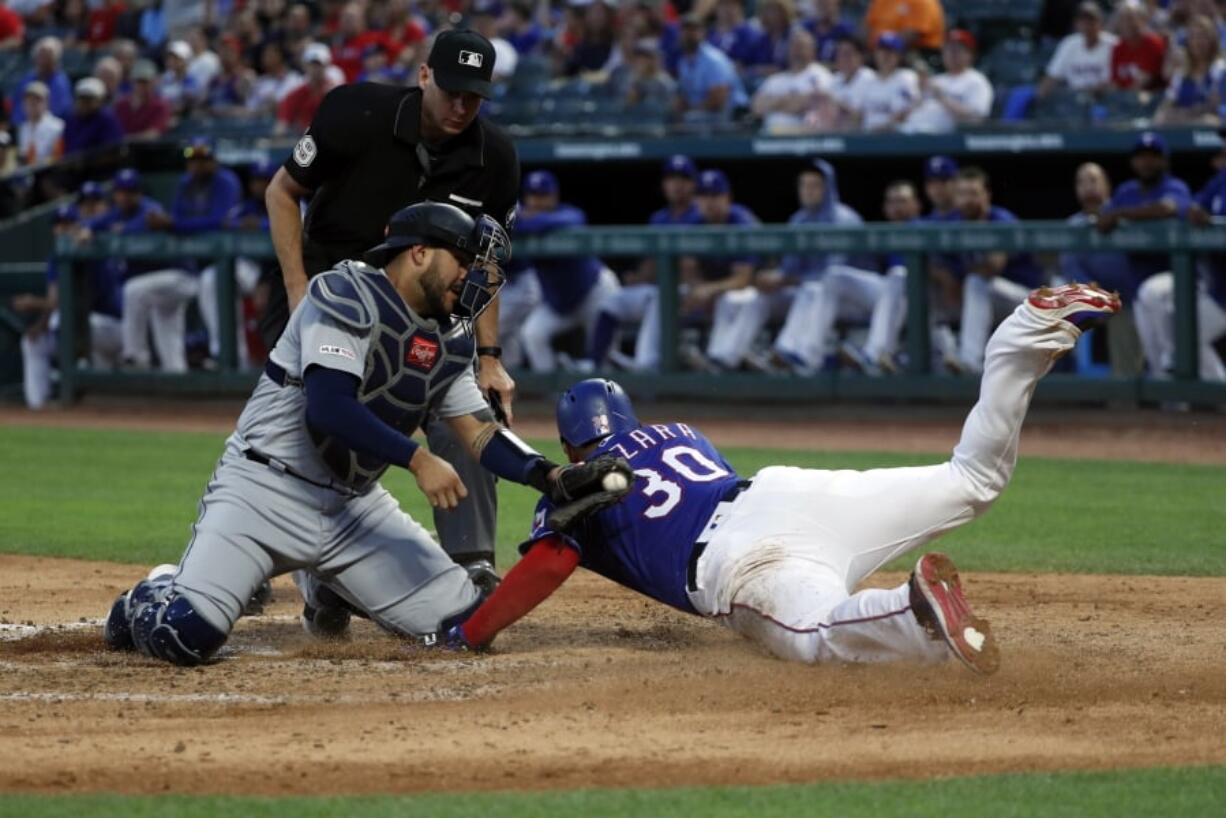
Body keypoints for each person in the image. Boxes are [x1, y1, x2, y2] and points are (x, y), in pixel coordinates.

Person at [445, 283, 1123, 668]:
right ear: (626, 414)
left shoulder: (575, 479)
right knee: (972, 479)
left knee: (816, 638)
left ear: (569, 446)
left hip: (742, 560)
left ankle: (909, 607)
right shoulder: (680, 431)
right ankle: (1025, 336)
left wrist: (471, 633)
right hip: (791, 494)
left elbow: (547, 566)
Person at [100, 201, 630, 665]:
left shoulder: (451, 337)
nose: (471, 276)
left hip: (353, 508)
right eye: (462, 260)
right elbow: (329, 408)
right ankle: (157, 590)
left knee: (467, 623)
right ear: (419, 253)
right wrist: (418, 460)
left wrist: (551, 476)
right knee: (184, 634)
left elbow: (481, 433)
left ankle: (329, 585)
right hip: (263, 490)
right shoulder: (345, 290)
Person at [261, 28, 520, 578]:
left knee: (464, 416)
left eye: (473, 95)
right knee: (300, 424)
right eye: (450, 89)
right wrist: (296, 289)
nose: (460, 105)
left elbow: (486, 262)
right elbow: (282, 192)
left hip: (421, 311)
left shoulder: (493, 156)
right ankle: (259, 551)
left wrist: (489, 356)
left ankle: (470, 561)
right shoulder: (354, 112)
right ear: (423, 75)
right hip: (328, 292)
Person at [737, 159, 879, 375]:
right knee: (758, 297)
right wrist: (773, 279)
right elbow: (790, 270)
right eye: (804, 185)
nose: (808, 191)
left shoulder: (844, 219)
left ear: (828, 188)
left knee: (813, 289)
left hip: (853, 300)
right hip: (814, 298)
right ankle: (730, 356)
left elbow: (832, 275)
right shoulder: (798, 220)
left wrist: (785, 279)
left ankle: (793, 351)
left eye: (814, 185)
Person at [590, 155, 702, 372]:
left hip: (690, 291)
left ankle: (646, 367)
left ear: (693, 184)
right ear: (664, 185)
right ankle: (597, 367)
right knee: (610, 303)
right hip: (659, 289)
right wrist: (639, 277)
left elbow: (693, 266)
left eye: (684, 179)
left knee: (660, 298)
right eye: (671, 179)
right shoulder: (659, 218)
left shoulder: (700, 215)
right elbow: (651, 263)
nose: (677, 185)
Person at [1096, 132, 1193, 378]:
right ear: (1133, 162)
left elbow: (1167, 208)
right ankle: (1171, 408)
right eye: (1142, 157)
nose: (1147, 162)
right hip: (1136, 286)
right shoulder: (1126, 191)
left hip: (1175, 282)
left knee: (1171, 351)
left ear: (1165, 161)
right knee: (1155, 357)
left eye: (1153, 157)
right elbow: (1102, 218)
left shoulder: (1175, 186)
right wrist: (1110, 215)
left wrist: (1119, 215)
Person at [14, 192, 122, 409]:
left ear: (79, 225)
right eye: (59, 224)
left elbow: (63, 303)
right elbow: (57, 300)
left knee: (62, 320)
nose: (63, 229)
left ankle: (75, 382)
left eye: (68, 223)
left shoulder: (92, 249)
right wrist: (40, 324)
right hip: (82, 328)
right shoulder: (56, 257)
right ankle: (38, 406)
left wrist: (33, 302)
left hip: (112, 327)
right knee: (34, 343)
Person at [78, 169, 190, 372]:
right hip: (156, 285)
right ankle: (178, 377)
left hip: (178, 276)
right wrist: (88, 229)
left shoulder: (150, 210)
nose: (125, 196)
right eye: (121, 191)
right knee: (168, 336)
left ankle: (135, 356)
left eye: (130, 191)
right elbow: (96, 223)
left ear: (139, 193)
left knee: (133, 290)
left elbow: (132, 230)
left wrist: (113, 230)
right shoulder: (117, 213)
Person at [516, 170, 621, 372]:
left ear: (554, 196)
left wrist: (527, 223)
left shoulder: (568, 215)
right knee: (532, 333)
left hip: (595, 292)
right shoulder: (523, 220)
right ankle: (553, 391)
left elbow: (576, 219)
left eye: (543, 196)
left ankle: (610, 397)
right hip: (559, 304)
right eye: (532, 196)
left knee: (605, 359)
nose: (537, 202)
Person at [943, 167, 1045, 374]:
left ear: (987, 195)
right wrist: (946, 278)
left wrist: (959, 279)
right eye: (962, 194)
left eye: (973, 193)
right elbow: (932, 260)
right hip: (988, 300)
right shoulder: (953, 222)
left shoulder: (1002, 219)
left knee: (975, 282)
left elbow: (993, 266)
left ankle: (970, 360)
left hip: (1027, 302)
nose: (967, 200)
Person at [1059, 162, 1143, 377]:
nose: (1088, 186)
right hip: (1091, 297)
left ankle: (1124, 398)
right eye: (1081, 182)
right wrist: (1094, 295)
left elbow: (1133, 266)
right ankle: (1069, 387)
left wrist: (1110, 299)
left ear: (1107, 186)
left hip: (1125, 299)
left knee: (1124, 320)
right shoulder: (1073, 225)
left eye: (1094, 180)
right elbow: (1070, 267)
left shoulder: (1122, 217)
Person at [677, 169, 762, 372]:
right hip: (713, 289)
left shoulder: (742, 222)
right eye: (703, 196)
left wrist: (709, 290)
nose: (709, 202)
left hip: (752, 291)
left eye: (715, 195)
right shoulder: (693, 223)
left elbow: (743, 279)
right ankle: (667, 358)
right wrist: (698, 289)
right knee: (672, 296)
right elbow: (688, 270)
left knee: (734, 299)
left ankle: (721, 359)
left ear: (727, 198)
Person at [837, 178, 922, 376]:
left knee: (899, 274)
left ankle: (875, 353)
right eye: (892, 202)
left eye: (902, 201)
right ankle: (805, 353)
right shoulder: (882, 235)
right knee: (836, 277)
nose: (896, 207)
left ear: (917, 204)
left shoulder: (925, 227)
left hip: (926, 298)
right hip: (894, 297)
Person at [1182, 139, 1226, 381]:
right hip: (1219, 291)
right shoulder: (1220, 180)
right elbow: (1192, 206)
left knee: (1189, 335)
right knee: (1188, 334)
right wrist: (1195, 211)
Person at [901, 29, 992, 134]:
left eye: (957, 50)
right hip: (909, 132)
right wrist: (920, 91)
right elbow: (910, 111)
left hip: (943, 140)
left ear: (970, 54)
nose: (952, 54)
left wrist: (942, 97)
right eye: (948, 49)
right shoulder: (936, 80)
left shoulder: (977, 81)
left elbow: (977, 119)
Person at [750, 29, 832, 134]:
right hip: (769, 140)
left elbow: (814, 103)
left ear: (813, 51)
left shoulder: (820, 74)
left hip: (804, 138)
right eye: (794, 46)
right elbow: (757, 107)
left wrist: (773, 103)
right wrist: (789, 101)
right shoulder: (776, 79)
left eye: (801, 46)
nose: (797, 50)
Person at [675, 13, 748, 125]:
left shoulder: (713, 59)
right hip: (702, 112)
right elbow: (684, 95)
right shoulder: (683, 61)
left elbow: (718, 100)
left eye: (693, 30)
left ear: (702, 33)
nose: (688, 34)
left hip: (732, 113)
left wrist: (691, 109)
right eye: (685, 30)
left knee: (690, 119)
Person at [1154, 14, 1224, 125]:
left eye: (1203, 36)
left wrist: (1181, 115)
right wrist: (1193, 117)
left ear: (1212, 40)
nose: (1198, 42)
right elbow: (1164, 111)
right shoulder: (1181, 75)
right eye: (1193, 37)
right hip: (1184, 134)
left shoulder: (1221, 70)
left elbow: (1216, 110)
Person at [1037, 2, 1117, 98]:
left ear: (1100, 21)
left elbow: (1118, 81)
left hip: (1104, 99)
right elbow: (1052, 75)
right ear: (1076, 23)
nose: (1087, 25)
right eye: (1082, 20)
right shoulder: (1069, 43)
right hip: (1075, 99)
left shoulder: (1114, 44)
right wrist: (1039, 96)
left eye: (1091, 20)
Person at [857, 32, 919, 132]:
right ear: (875, 53)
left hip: (894, 138)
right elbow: (858, 114)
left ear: (899, 55)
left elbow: (905, 112)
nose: (886, 55)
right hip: (867, 138)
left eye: (890, 52)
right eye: (882, 51)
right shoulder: (866, 79)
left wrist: (879, 129)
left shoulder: (906, 77)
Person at [275, 43, 340, 135]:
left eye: (319, 64)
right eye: (312, 64)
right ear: (305, 66)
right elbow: (281, 126)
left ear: (327, 66)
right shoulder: (296, 94)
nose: (316, 69)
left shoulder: (335, 92)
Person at [11, 37, 73, 126]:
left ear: (56, 59)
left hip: (51, 129)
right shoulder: (27, 78)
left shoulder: (61, 82)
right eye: (41, 54)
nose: (44, 59)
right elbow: (17, 107)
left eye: (48, 55)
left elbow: (60, 111)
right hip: (24, 127)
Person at [1112, 1, 1167, 92]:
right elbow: (1115, 82)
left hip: (1149, 100)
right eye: (1122, 19)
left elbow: (1145, 81)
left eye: (1130, 18)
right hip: (1124, 101)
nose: (1126, 23)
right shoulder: (1118, 47)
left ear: (1143, 19)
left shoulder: (1153, 44)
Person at [62, 77, 124, 156]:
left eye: (89, 99)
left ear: (100, 100)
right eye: (81, 99)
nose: (84, 103)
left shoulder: (107, 119)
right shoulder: (72, 119)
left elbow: (111, 151)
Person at [114, 59, 172, 139]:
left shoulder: (160, 105)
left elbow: (153, 134)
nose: (141, 86)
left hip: (147, 149)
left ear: (154, 82)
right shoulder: (122, 104)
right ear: (132, 81)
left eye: (145, 82)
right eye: (138, 81)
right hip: (120, 149)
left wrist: (125, 139)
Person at [864, 0, 944, 53]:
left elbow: (912, 35)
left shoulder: (923, 2)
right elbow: (866, 26)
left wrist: (882, 46)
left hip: (915, 54)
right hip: (878, 52)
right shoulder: (881, 1)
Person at [16, 81, 63, 165]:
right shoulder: (23, 128)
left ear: (47, 102)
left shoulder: (58, 126)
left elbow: (58, 157)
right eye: (29, 99)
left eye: (38, 99)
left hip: (49, 173)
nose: (32, 102)